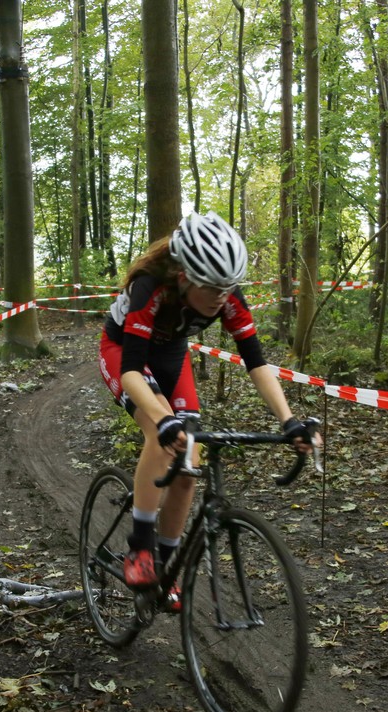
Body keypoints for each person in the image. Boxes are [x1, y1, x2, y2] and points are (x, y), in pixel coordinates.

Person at [98, 210, 320, 602]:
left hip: (172, 355)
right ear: (184, 276)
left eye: (228, 287)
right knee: (163, 436)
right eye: (213, 287)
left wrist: (289, 421)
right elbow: (132, 371)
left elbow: (256, 363)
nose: (221, 297)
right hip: (124, 352)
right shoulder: (151, 286)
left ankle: (165, 569)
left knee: (189, 464)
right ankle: (140, 547)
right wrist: (162, 420)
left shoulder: (227, 295)